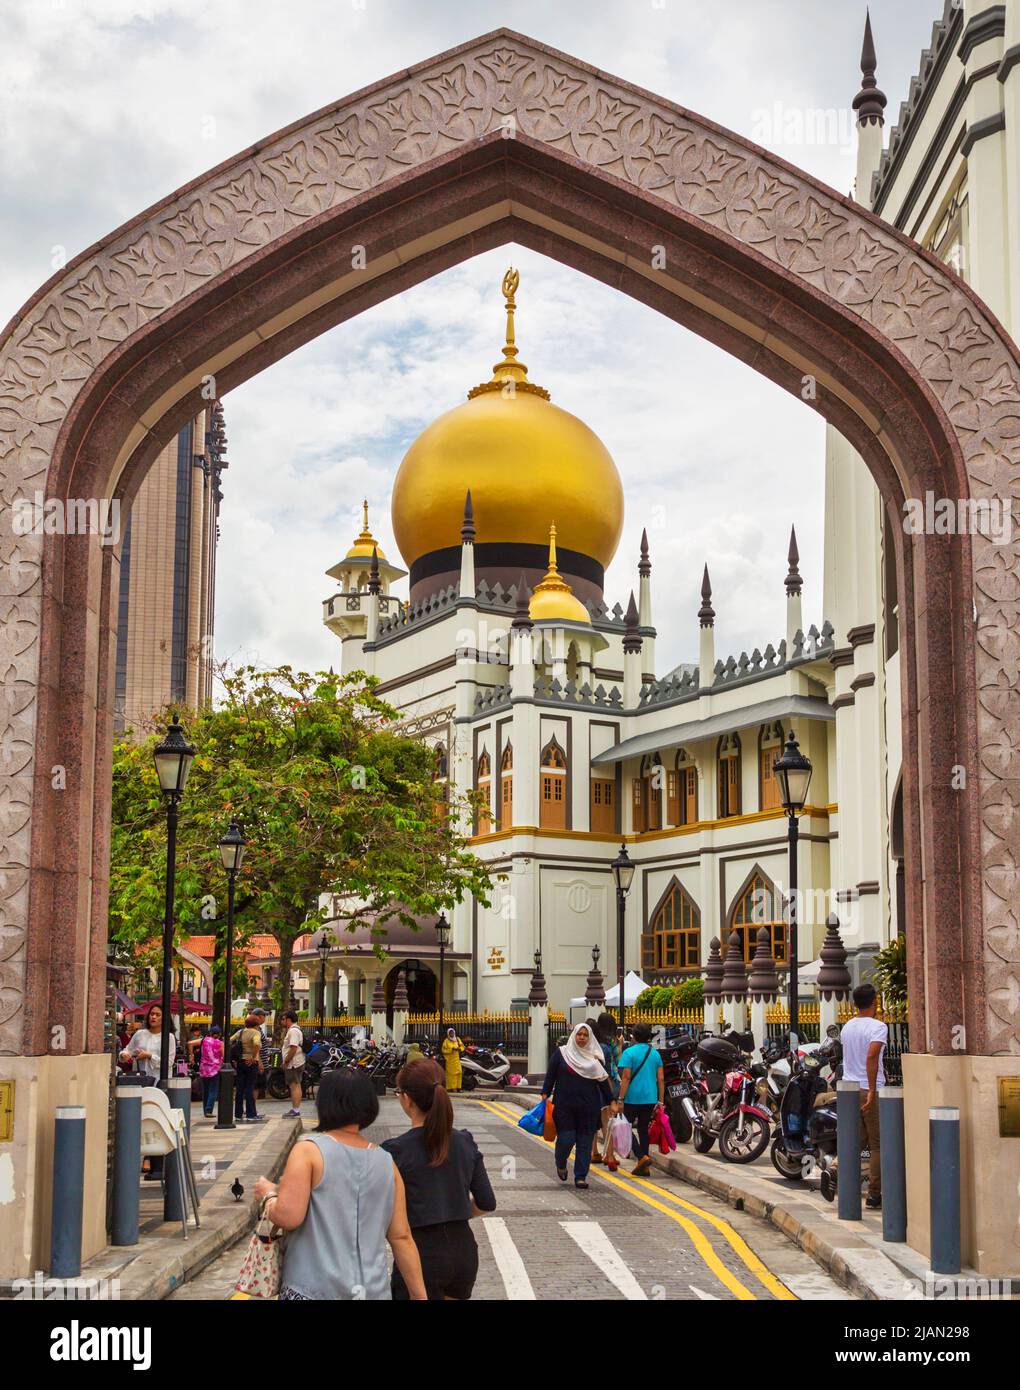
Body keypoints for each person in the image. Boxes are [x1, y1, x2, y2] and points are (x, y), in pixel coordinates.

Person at [254, 1069, 427, 1301]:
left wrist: (268, 1196)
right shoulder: (386, 1162)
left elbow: (288, 1216)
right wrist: (420, 1296)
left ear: (324, 1104)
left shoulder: (309, 1151)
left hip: (312, 1288)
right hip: (372, 1291)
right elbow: (401, 1237)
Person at [382, 1058, 497, 1300]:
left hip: (420, 1255)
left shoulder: (395, 1150)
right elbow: (487, 1202)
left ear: (406, 1099)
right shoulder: (465, 1141)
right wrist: (456, 1210)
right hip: (464, 1252)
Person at [541, 1022, 613, 1189]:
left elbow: (603, 1082)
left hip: (589, 1108)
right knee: (566, 1139)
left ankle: (581, 1176)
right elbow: (550, 1075)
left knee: (585, 1143)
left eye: (585, 1035)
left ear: (590, 1038)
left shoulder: (594, 1058)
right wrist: (545, 1094)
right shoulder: (561, 1054)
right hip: (564, 1106)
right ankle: (560, 1162)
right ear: (574, 1035)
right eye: (579, 1034)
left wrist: (612, 1101)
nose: (581, 1037)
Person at [839, 982, 888, 1209]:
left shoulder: (847, 1027)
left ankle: (835, 1171)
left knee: (855, 1142)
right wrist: (870, 1090)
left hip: (849, 1089)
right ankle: (874, 1194)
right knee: (877, 1144)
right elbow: (871, 1057)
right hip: (870, 1089)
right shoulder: (878, 1027)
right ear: (875, 1002)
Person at [615, 1022, 664, 1177]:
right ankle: (644, 1164)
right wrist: (660, 1100)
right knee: (643, 1129)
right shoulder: (655, 1054)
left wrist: (620, 1099)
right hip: (650, 1097)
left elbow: (626, 1076)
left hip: (632, 1097)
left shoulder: (629, 1053)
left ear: (634, 1036)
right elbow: (661, 1079)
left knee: (625, 1127)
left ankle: (641, 1157)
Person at [589, 1014, 621, 1169]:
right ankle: (610, 1155)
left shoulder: (587, 1049)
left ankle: (594, 1152)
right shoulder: (607, 1048)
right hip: (605, 1086)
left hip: (589, 1089)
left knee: (592, 1123)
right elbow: (609, 1070)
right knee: (606, 1122)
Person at [119, 1004, 175, 1082]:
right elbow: (128, 1050)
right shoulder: (139, 1034)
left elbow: (169, 1062)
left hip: (159, 1080)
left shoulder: (169, 1037)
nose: (154, 1017)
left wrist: (149, 1056)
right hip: (139, 1079)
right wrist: (124, 1055)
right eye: (152, 1014)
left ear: (164, 1018)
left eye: (158, 1015)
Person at [231, 1013, 265, 1122]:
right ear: (257, 1024)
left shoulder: (240, 1032)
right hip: (251, 1063)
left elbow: (229, 1041)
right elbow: (256, 1044)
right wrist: (252, 1057)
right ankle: (251, 1114)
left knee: (240, 1088)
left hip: (240, 1062)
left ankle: (238, 1114)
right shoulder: (256, 1033)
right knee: (250, 1088)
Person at [281, 1010, 306, 1118]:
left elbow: (293, 1047)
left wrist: (286, 1061)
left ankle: (296, 1110)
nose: (282, 1022)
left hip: (293, 1063)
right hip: (295, 1062)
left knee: (294, 1085)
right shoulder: (293, 1030)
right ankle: (295, 1109)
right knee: (296, 1085)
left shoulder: (293, 1031)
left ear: (288, 1019)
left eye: (283, 1019)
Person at [198, 1026, 224, 1117]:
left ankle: (205, 1111)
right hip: (215, 1069)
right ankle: (209, 1110)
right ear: (219, 1034)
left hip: (203, 1069)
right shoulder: (220, 1043)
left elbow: (190, 1043)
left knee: (205, 1090)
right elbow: (223, 1056)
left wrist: (191, 1055)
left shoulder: (204, 1040)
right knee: (213, 1090)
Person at [441, 1027, 464, 1092]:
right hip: (450, 1060)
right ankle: (451, 1088)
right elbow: (443, 1050)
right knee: (451, 1075)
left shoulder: (457, 1039)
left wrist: (460, 1049)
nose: (452, 1034)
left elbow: (462, 1046)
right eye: (450, 1033)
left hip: (457, 1059)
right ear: (448, 1033)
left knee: (459, 1073)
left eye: (452, 1032)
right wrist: (451, 1050)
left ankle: (459, 1087)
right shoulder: (446, 1041)